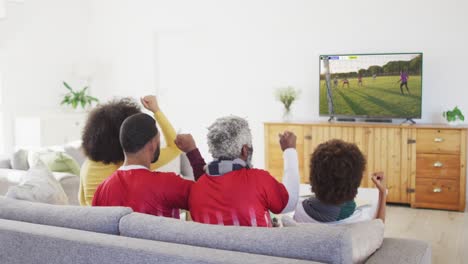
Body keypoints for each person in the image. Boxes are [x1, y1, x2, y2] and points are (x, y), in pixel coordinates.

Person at [187, 116, 300, 227]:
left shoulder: (197, 188)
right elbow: (290, 202)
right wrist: (289, 151)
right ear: (245, 150)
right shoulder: (259, 180)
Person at [79, 96, 181, 206]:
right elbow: (176, 147)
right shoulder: (134, 162)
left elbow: (83, 202)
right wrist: (156, 110)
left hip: (95, 221)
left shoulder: (87, 166)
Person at [92, 113, 195, 218]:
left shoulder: (101, 189)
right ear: (152, 144)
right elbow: (208, 193)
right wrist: (193, 152)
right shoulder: (168, 183)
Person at [293, 139, 387, 223]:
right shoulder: (360, 220)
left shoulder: (297, 212)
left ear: (313, 178)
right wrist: (382, 193)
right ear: (356, 182)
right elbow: (378, 228)